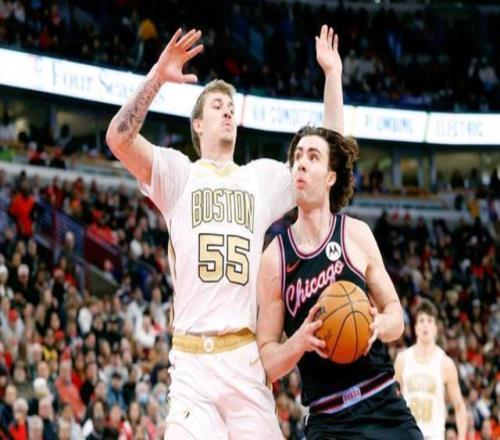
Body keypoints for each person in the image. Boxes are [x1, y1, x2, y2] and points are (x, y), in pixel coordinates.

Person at [106, 24, 343, 439]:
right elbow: (119, 138)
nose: (228, 111)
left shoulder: (260, 179)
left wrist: (333, 76)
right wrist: (158, 77)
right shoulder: (178, 174)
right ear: (197, 125)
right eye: (217, 106)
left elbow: (330, 157)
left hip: (244, 359)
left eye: (231, 106)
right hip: (192, 364)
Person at [256, 126, 423, 439]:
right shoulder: (274, 258)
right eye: (297, 157)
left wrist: (378, 325)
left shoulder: (356, 234)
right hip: (328, 420)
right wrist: (299, 341)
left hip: (384, 404)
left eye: (313, 157)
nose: (301, 164)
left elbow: (395, 316)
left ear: (330, 177)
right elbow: (267, 363)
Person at [395, 299, 467, 440]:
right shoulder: (402, 360)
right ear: (416, 327)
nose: (425, 325)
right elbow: (393, 400)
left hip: (434, 435)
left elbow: (459, 406)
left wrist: (462, 437)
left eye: (429, 321)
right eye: (421, 320)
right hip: (407, 434)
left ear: (435, 327)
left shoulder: (446, 363)